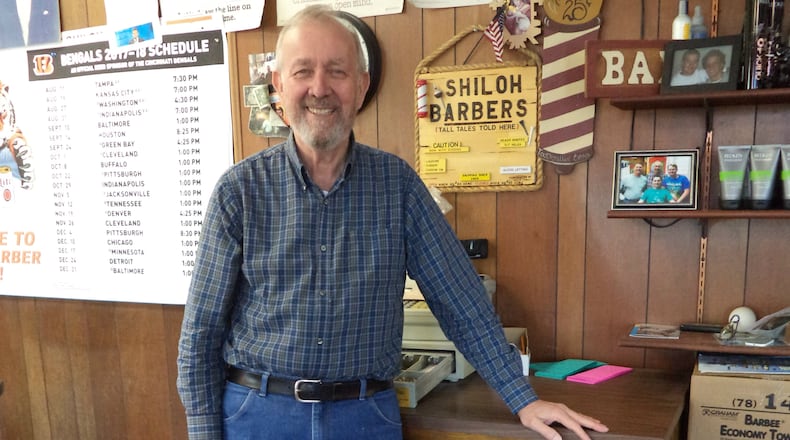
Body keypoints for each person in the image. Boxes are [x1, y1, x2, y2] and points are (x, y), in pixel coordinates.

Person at [176, 5, 609, 440]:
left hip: (364, 418)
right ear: (279, 84)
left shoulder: (397, 186)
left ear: (361, 86)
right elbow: (200, 333)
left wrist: (523, 398)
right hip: (257, 417)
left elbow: (461, 301)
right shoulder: (239, 191)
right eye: (303, 71)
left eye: (337, 72)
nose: (320, 88)